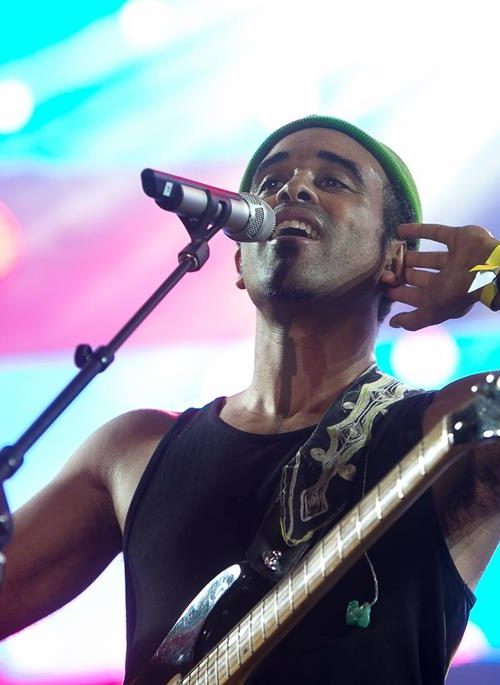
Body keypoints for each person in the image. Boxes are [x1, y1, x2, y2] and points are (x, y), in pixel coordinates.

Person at [0, 115, 499, 685]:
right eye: (270, 182)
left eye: (333, 181)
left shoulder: (451, 427)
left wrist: (494, 274)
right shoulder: (131, 451)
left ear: (394, 258)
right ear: (239, 259)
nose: (294, 189)